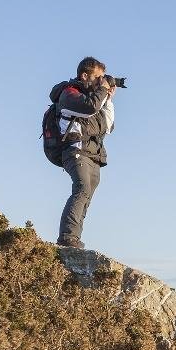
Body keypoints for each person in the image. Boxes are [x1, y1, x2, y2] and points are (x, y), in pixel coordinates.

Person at [49, 57, 116, 248]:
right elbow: (89, 108)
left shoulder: (94, 98)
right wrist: (102, 90)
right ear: (84, 75)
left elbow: (107, 126)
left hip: (93, 154)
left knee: (86, 195)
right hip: (75, 151)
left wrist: (108, 99)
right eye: (97, 78)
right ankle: (67, 238)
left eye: (102, 78)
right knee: (82, 189)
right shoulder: (69, 94)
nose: (100, 82)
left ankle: (74, 237)